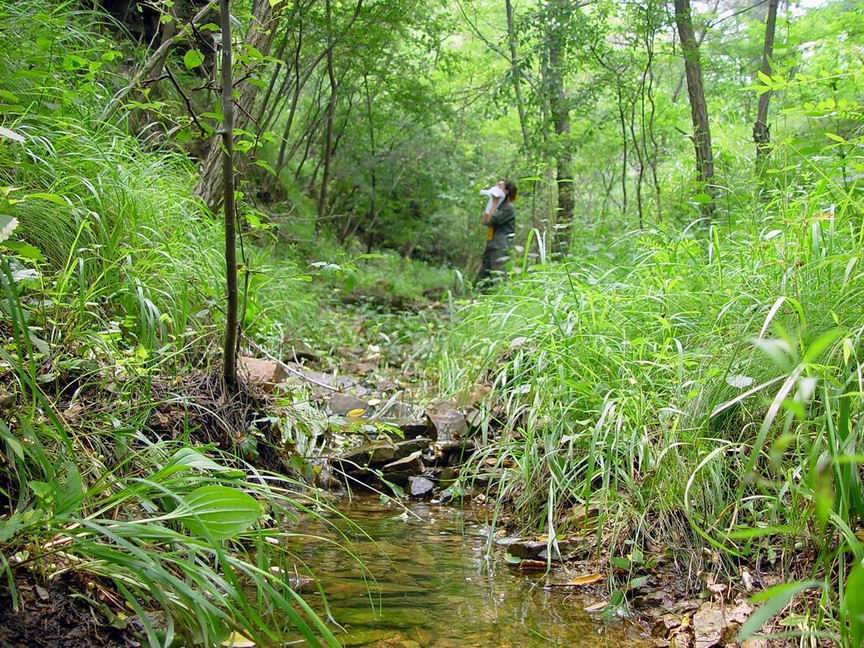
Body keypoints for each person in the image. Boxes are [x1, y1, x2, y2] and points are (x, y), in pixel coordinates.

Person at [476, 179, 517, 286]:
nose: (496, 187)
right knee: (483, 277)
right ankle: (479, 294)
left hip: (500, 246)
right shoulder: (499, 206)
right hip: (491, 243)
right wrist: (492, 202)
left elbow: (491, 221)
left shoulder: (508, 208)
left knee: (499, 276)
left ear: (506, 191)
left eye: (499, 186)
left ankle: (501, 295)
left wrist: (494, 202)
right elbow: (484, 221)